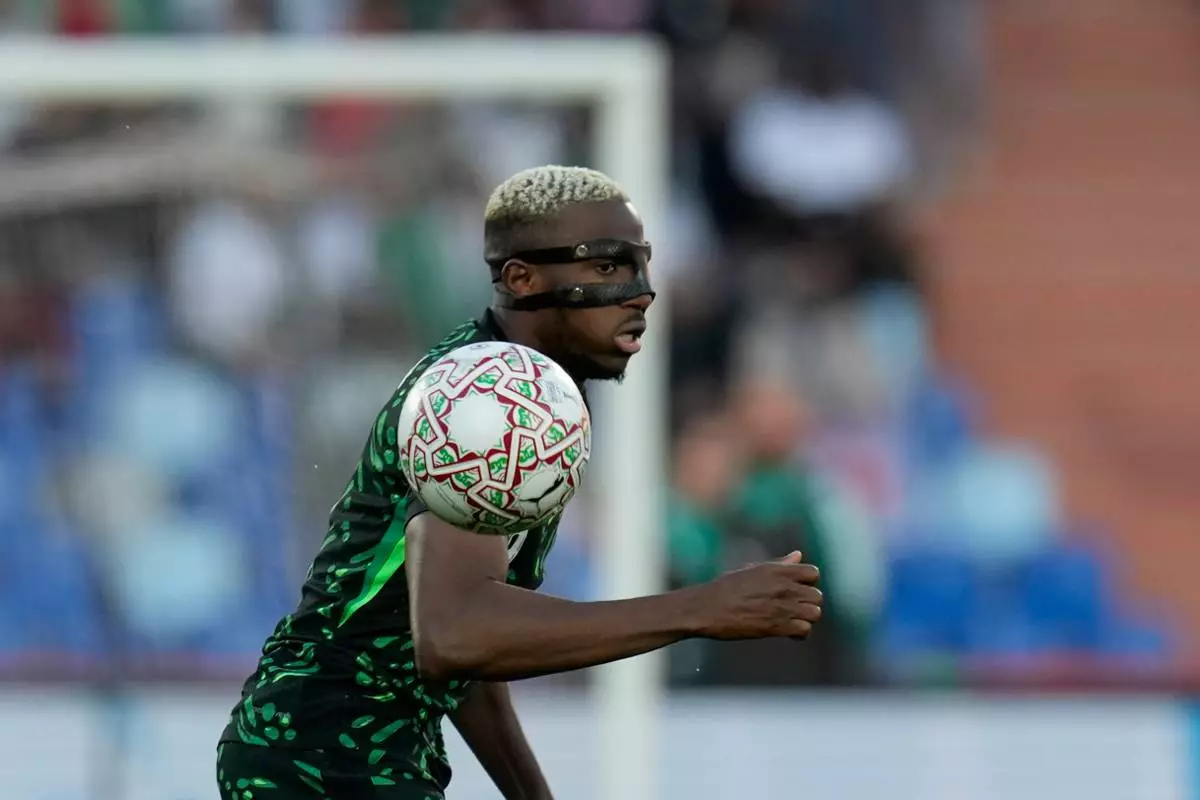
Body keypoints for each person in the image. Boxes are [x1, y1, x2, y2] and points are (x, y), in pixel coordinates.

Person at [216, 165, 824, 800]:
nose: (640, 292)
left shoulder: (529, 394)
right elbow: (454, 635)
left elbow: (469, 652)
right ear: (522, 280)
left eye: (639, 266)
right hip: (320, 760)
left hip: (351, 753)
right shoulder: (488, 400)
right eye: (606, 268)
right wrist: (698, 608)